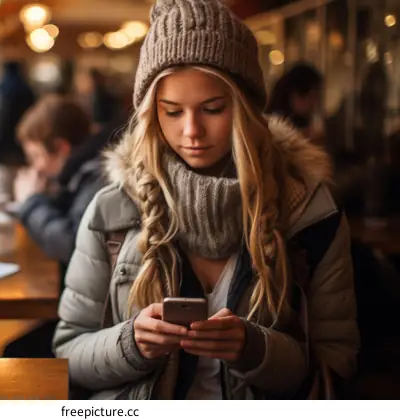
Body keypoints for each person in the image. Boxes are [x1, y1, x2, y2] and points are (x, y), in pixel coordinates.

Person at [52, 0, 359, 400]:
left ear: (246, 107)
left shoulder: (310, 213)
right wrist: (130, 345)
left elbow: (337, 363)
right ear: (150, 113)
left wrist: (256, 350)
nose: (192, 131)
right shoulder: (113, 209)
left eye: (213, 108)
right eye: (172, 111)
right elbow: (68, 352)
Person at [1, 94, 108, 359]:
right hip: (91, 306)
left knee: (13, 355)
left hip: (101, 323)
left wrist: (30, 202)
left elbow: (72, 243)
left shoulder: (98, 176)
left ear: (61, 148)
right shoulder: (84, 170)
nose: (36, 167)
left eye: (37, 156)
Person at [0, 61, 36, 167]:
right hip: (21, 141)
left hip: (5, 143)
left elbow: (1, 120)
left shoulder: (5, 88)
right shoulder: (26, 89)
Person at [265, 62, 323, 139]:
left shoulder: (302, 123)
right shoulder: (276, 128)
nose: (314, 103)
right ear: (295, 94)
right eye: (312, 96)